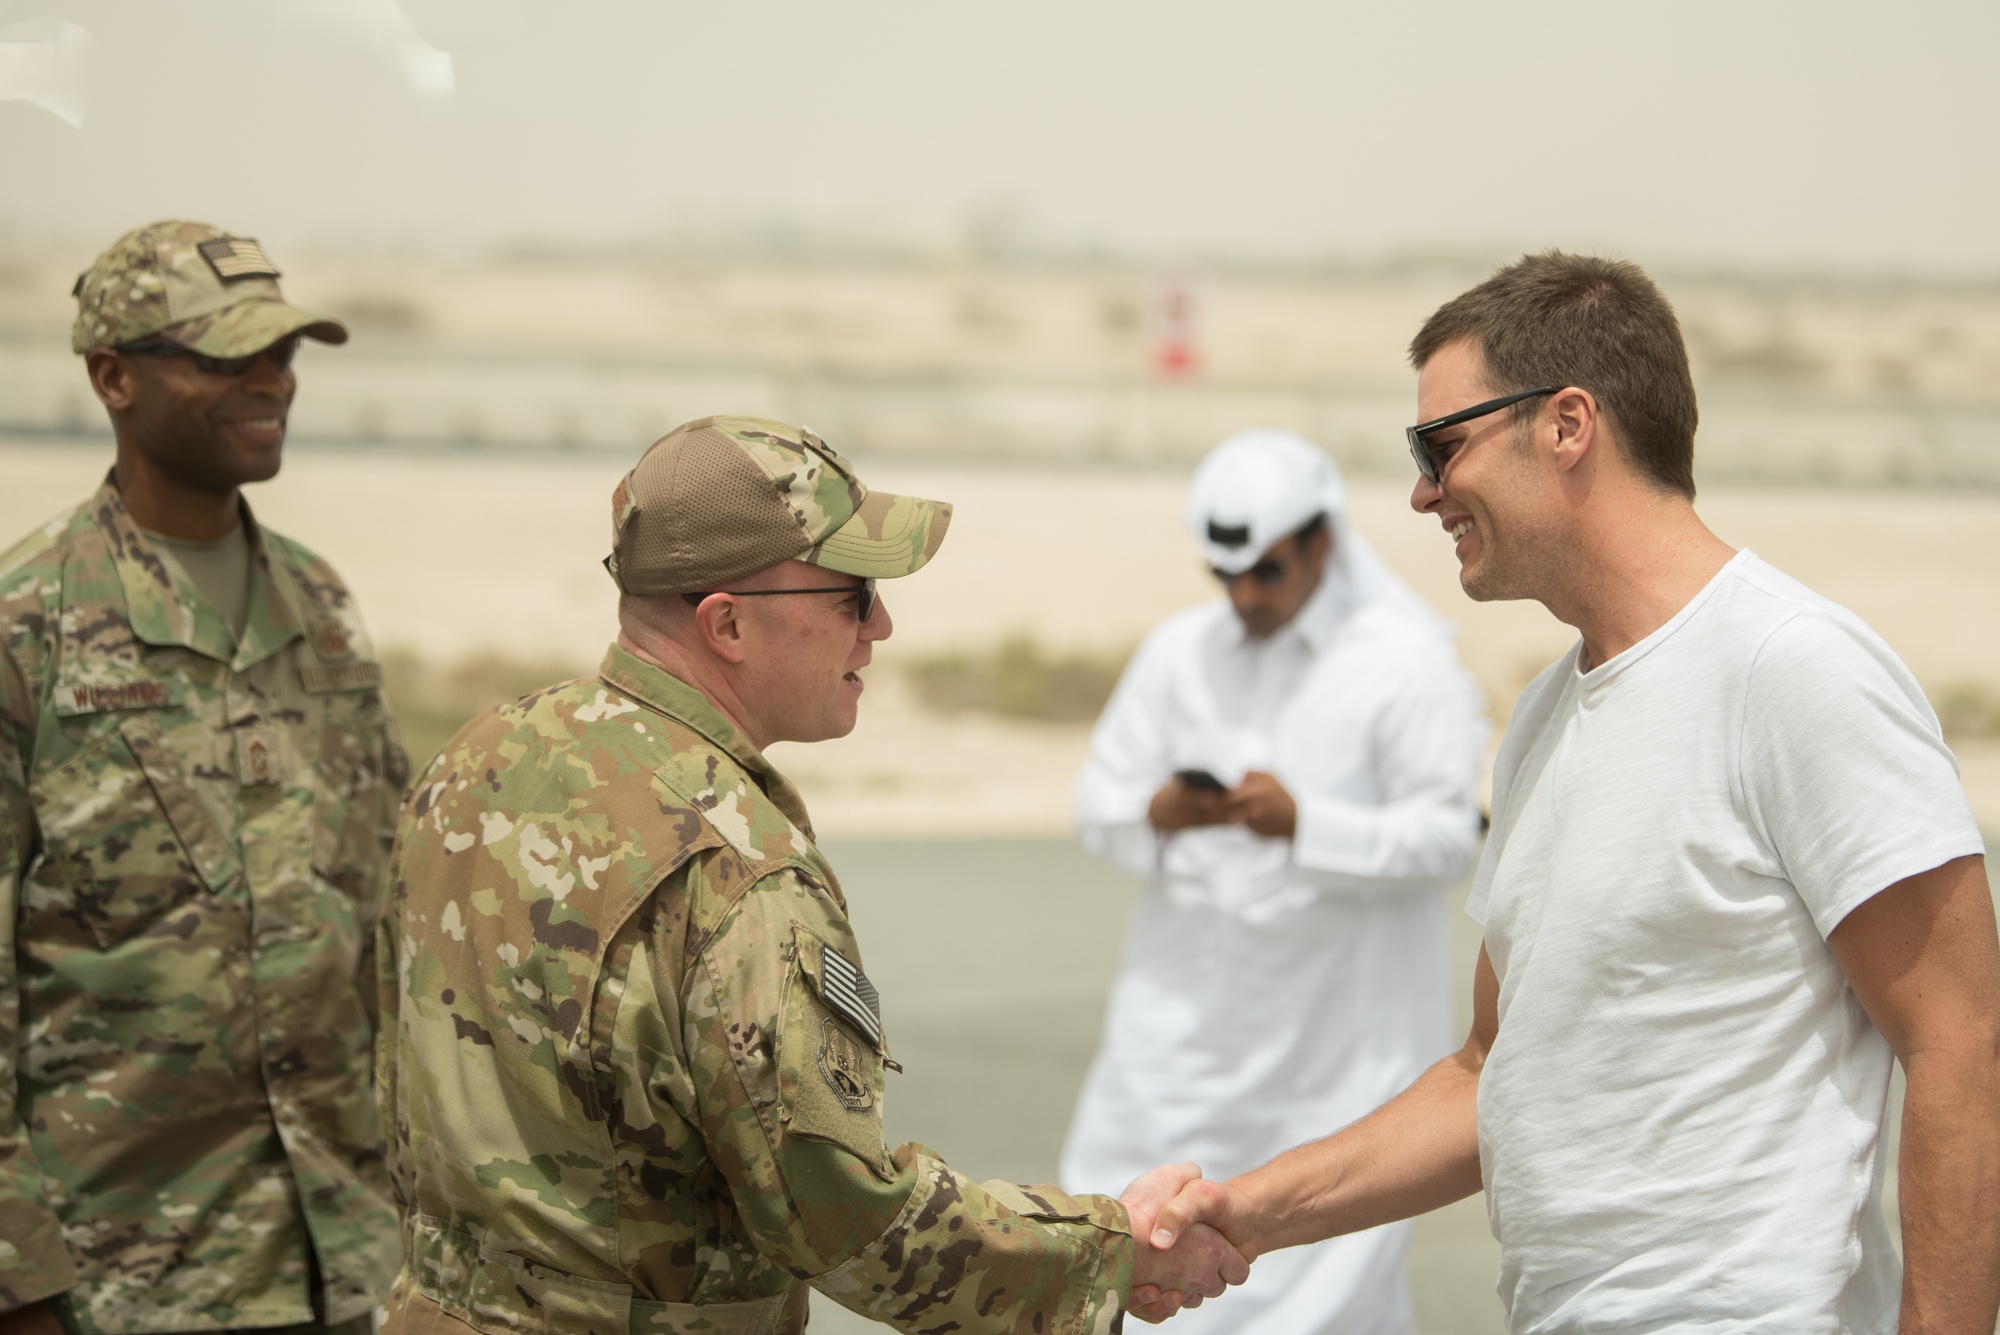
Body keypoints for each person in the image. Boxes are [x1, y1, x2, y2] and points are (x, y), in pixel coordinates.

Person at [1143, 252, 2000, 1334]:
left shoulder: (1792, 669)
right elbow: (1488, 1071)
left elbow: (1963, 1041)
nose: (1419, 492)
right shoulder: (1545, 719)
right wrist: (1247, 1213)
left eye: (1438, 446)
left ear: (1565, 425)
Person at [372, 415, 1248, 1335]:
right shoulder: (736, 870)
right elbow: (841, 1216)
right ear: (729, 622)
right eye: (852, 593)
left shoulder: (477, 758)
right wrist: (1111, 1251)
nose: (881, 625)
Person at [0, 223, 406, 1335]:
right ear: (112, 377)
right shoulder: (26, 627)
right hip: (115, 1279)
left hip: (332, 1254)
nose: (268, 382)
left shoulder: (319, 607)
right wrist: (16, 1281)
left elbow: (380, 913)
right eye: (223, 358)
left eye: (281, 355)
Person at [1062, 430, 1486, 1335]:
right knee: (1116, 1268)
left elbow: (1450, 836)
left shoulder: (1403, 663)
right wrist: (1160, 811)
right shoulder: (1181, 651)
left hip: (1331, 1053)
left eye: (1266, 572)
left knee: (1319, 1297)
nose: (1244, 596)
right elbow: (1098, 800)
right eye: (1227, 577)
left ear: (1320, 544)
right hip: (1175, 1045)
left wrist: (1308, 826)